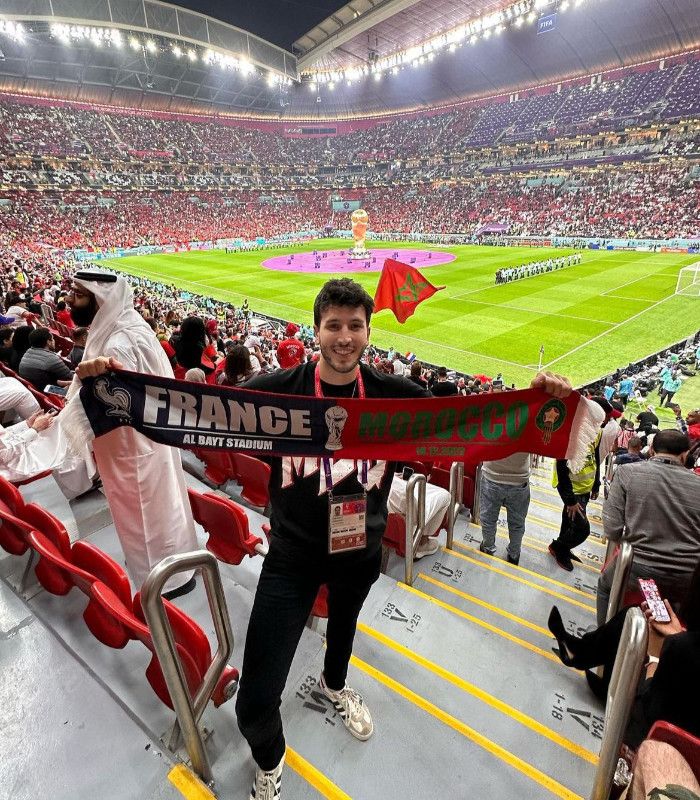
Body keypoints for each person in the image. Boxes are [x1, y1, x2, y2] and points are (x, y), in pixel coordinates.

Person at [234, 277, 573, 800]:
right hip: (290, 557)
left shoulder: (396, 397)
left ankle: (335, 684)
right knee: (256, 696)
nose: (344, 337)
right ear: (316, 330)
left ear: (368, 331)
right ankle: (270, 758)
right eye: (333, 326)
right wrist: (105, 385)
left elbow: (471, 421)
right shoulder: (280, 389)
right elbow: (195, 410)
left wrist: (537, 399)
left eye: (354, 326)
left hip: (358, 551)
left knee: (343, 630)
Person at [60, 270, 199, 599]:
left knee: (150, 515)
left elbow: (107, 400)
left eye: (78, 295)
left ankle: (168, 581)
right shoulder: (117, 327)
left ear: (100, 299)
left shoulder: (123, 341)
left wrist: (55, 429)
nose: (69, 300)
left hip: (135, 446)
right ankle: (158, 570)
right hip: (129, 446)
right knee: (149, 516)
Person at [547, 555, 700, 750]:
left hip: (661, 746)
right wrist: (679, 634)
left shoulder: (683, 651)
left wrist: (655, 656)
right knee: (636, 614)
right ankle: (585, 658)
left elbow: (647, 712)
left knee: (610, 590)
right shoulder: (684, 646)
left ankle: (582, 655)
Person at [597, 429, 700, 625]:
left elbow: (611, 527)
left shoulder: (628, 473)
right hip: (687, 577)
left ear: (651, 449)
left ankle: (601, 637)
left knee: (605, 587)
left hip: (636, 567)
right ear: (685, 454)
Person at [548, 397, 610, 571]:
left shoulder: (596, 430)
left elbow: (595, 457)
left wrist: (596, 483)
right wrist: (570, 500)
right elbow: (561, 466)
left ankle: (562, 549)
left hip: (585, 486)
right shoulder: (570, 432)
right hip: (571, 488)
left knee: (569, 522)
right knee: (583, 529)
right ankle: (559, 547)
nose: (603, 421)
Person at [479, 452, 531, 565]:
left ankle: (488, 547)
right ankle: (514, 554)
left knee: (488, 519)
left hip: (492, 475)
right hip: (519, 478)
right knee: (517, 523)